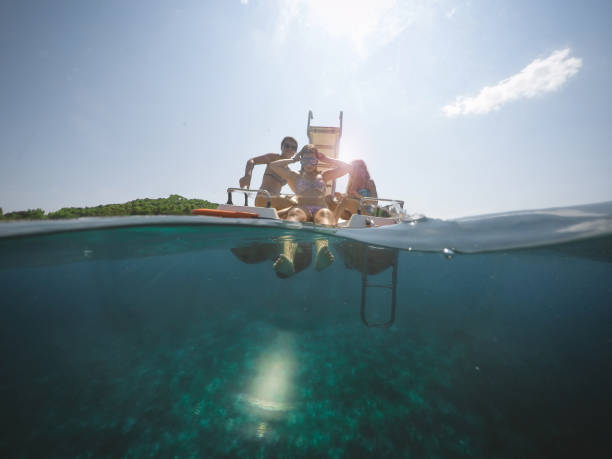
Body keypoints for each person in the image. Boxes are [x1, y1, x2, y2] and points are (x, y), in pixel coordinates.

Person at [268, 144, 351, 276]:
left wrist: (327, 159)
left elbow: (348, 167)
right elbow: (273, 165)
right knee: (294, 214)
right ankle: (288, 257)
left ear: (317, 161)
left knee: (325, 214)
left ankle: (321, 252)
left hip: (320, 209)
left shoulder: (324, 176)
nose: (309, 164)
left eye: (312, 160)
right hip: (302, 208)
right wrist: (293, 159)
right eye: (305, 160)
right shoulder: (296, 176)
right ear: (301, 161)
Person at [238, 136, 299, 209]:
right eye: (287, 146)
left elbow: (297, 189)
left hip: (275, 202)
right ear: (281, 147)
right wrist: (247, 176)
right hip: (263, 198)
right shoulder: (273, 158)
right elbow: (252, 161)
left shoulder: (288, 171)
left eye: (293, 148)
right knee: (295, 205)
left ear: (295, 152)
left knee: (299, 203)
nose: (290, 149)